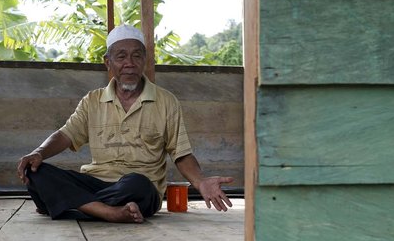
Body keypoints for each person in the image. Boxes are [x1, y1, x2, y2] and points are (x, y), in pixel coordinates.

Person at [17, 25, 233, 223]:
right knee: (36, 171)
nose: (129, 63)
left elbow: (181, 153)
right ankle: (108, 212)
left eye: (136, 56)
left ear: (145, 61)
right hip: (96, 182)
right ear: (107, 62)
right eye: (121, 56)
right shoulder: (92, 100)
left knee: (137, 183)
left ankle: (72, 204)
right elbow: (66, 135)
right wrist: (39, 153)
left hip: (138, 189)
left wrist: (200, 181)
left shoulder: (166, 101)